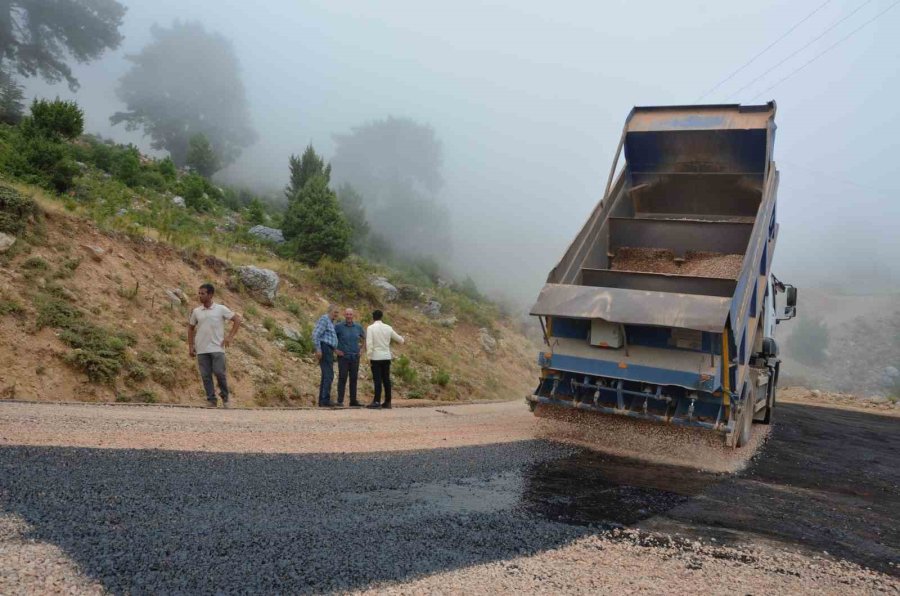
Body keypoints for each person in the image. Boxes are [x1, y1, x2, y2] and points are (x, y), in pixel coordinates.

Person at [188, 283, 241, 408]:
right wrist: (191, 346)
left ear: (210, 295)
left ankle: (226, 398)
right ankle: (211, 400)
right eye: (199, 293)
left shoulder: (221, 309)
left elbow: (237, 320)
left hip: (217, 347)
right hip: (201, 348)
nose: (200, 295)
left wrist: (229, 337)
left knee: (219, 372)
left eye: (203, 293)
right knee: (205, 375)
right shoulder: (196, 311)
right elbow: (190, 328)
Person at [365, 309, 405, 409]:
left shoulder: (370, 328)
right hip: (386, 356)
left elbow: (369, 344)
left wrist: (369, 357)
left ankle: (377, 401)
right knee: (386, 379)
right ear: (381, 317)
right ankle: (388, 402)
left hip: (376, 357)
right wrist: (403, 339)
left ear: (373, 317)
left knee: (377, 379)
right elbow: (400, 340)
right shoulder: (388, 327)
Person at [335, 307, 365, 407]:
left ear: (353, 315)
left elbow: (365, 338)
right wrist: (335, 350)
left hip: (355, 357)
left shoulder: (358, 327)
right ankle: (340, 401)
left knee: (353, 379)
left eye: (350, 314)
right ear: (344, 315)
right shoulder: (338, 326)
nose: (348, 316)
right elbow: (331, 338)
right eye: (347, 314)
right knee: (342, 378)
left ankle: (353, 401)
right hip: (343, 357)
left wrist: (362, 350)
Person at [312, 304, 340, 407]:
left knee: (326, 375)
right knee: (329, 375)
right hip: (325, 348)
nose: (337, 314)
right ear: (330, 311)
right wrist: (318, 349)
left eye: (338, 312)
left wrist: (334, 349)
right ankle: (325, 400)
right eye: (335, 312)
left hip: (329, 349)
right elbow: (315, 334)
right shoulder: (325, 319)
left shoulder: (331, 322)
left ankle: (322, 400)